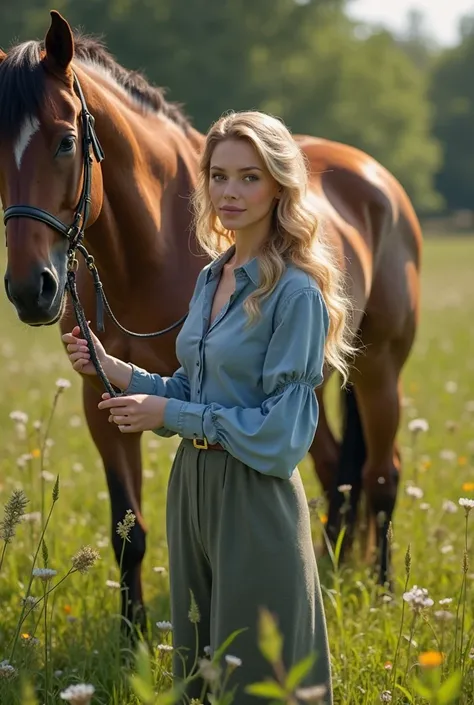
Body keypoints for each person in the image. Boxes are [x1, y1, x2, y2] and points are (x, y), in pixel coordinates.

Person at [62, 110, 353, 704]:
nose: (230, 192)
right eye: (219, 176)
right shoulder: (212, 276)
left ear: (279, 185)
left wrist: (168, 417)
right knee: (197, 677)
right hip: (191, 489)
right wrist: (119, 372)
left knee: (257, 683)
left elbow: (280, 435)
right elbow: (200, 393)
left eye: (250, 177)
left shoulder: (295, 291)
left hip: (255, 498)